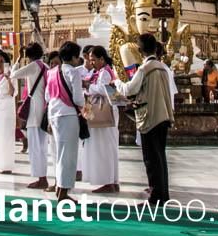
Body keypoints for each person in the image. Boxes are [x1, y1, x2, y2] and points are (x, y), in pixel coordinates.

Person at [114, 33, 174, 205]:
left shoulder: (144, 69)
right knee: (160, 155)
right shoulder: (162, 67)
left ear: (140, 51)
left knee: (151, 158)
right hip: (163, 116)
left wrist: (116, 82)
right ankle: (163, 193)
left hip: (150, 117)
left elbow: (128, 90)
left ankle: (155, 195)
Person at [45, 40, 84, 202]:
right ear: (74, 57)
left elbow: (47, 96)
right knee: (68, 155)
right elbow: (77, 98)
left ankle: (60, 187)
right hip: (68, 115)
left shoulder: (52, 72)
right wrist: (84, 104)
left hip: (53, 114)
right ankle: (63, 192)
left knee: (59, 153)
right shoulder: (73, 72)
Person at [80, 45, 120, 193]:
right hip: (99, 111)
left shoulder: (105, 72)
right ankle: (111, 180)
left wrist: (88, 87)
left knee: (105, 147)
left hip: (104, 111)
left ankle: (109, 181)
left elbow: (104, 89)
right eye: (90, 60)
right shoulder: (98, 72)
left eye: (94, 60)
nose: (91, 63)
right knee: (104, 146)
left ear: (102, 59)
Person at [11, 42, 50, 188]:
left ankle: (41, 178)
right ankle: (43, 176)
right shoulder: (45, 67)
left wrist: (19, 58)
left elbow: (13, 74)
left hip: (34, 111)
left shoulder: (33, 66)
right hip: (44, 110)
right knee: (42, 146)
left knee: (34, 147)